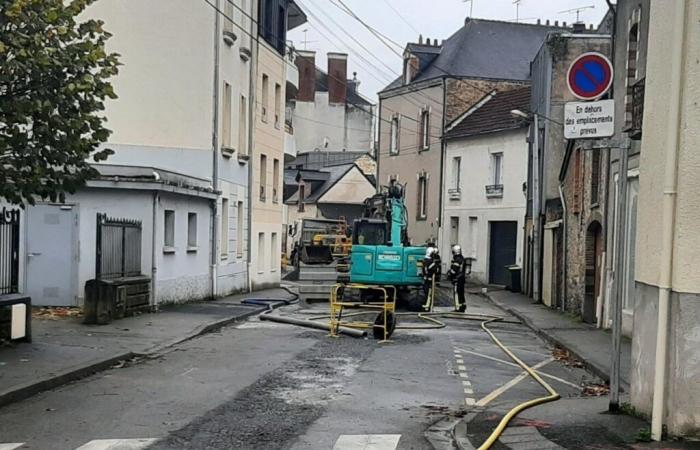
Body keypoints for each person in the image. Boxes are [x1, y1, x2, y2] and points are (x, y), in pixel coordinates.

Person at [447, 245, 469, 312]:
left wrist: (449, 273)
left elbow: (454, 270)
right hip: (462, 278)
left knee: (456, 293)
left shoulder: (457, 260)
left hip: (457, 279)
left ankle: (458, 308)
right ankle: (463, 306)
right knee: (461, 293)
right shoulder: (462, 259)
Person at [421, 246, 441, 311]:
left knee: (426, 293)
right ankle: (427, 307)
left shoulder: (425, 260)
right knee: (429, 294)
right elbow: (436, 270)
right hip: (429, 280)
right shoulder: (431, 262)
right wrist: (436, 265)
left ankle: (426, 306)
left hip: (425, 279)